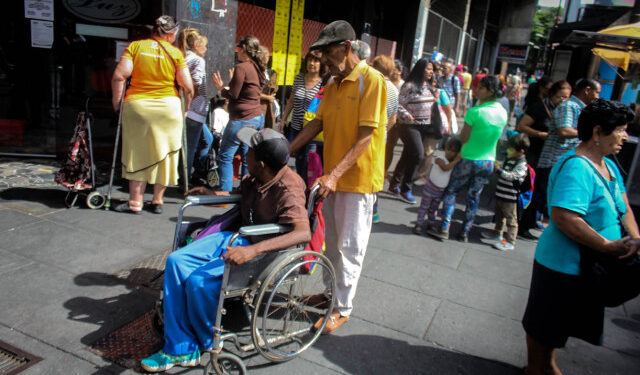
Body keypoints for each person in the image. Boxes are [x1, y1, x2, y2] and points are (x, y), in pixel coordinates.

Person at [140, 128, 310, 372]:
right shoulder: (258, 175)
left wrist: (252, 251)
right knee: (176, 261)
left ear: (261, 163)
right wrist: (212, 193)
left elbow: (303, 232)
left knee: (199, 282)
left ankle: (190, 345)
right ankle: (182, 341)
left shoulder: (288, 188)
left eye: (249, 150)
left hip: (262, 251)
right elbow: (238, 196)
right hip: (237, 236)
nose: (245, 153)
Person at [521, 99, 639, 375]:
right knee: (544, 332)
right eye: (620, 130)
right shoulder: (577, 167)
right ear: (597, 132)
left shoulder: (607, 164)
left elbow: (624, 208)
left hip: (587, 265)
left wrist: (635, 239)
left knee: (555, 332)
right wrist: (607, 245)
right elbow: (565, 217)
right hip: (562, 265)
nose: (625, 137)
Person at [289, 20, 387, 334]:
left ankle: (342, 307)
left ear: (346, 48)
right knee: (330, 244)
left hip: (357, 181)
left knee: (350, 247)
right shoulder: (332, 84)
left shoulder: (371, 81)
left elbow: (365, 138)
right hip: (332, 178)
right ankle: (331, 293)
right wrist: (284, 151)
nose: (325, 61)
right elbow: (316, 124)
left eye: (329, 53)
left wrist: (333, 175)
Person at [111, 15, 194, 214]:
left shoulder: (136, 47)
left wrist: (117, 104)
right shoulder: (176, 53)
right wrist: (185, 109)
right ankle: (157, 201)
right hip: (169, 108)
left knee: (136, 153)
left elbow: (119, 76)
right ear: (172, 33)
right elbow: (188, 87)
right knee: (166, 154)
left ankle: (135, 203)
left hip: (138, 106)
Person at [427, 76, 508, 242]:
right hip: (487, 161)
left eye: (481, 88)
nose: (477, 90)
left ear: (491, 91)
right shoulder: (502, 112)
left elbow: (464, 138)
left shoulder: (475, 112)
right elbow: (499, 138)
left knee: (451, 192)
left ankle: (444, 228)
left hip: (467, 159)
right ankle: (465, 232)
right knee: (474, 197)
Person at [520, 78, 601, 240]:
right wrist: (589, 133)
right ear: (587, 90)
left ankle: (532, 221)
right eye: (597, 91)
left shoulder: (578, 107)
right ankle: (524, 226)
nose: (598, 95)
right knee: (539, 194)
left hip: (562, 160)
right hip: (553, 159)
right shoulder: (569, 106)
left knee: (545, 195)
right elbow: (564, 131)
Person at [388, 59, 452, 204]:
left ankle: (394, 184)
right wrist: (406, 115)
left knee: (407, 155)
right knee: (418, 155)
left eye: (432, 70)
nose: (430, 72)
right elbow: (398, 104)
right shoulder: (409, 86)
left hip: (423, 127)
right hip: (409, 126)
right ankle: (406, 189)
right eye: (428, 69)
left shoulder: (429, 86)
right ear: (420, 69)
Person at [212, 35, 266, 192]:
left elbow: (233, 95)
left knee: (225, 155)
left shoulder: (242, 67)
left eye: (238, 49)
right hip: (256, 117)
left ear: (243, 49)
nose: (237, 52)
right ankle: (245, 191)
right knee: (246, 156)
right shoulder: (257, 67)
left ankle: (224, 191)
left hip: (241, 119)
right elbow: (246, 91)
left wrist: (221, 87)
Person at [278, 51, 324, 180]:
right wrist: (283, 120)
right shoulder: (299, 78)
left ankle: (307, 189)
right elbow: (291, 100)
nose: (311, 63)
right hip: (296, 126)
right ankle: (299, 185)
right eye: (309, 60)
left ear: (321, 64)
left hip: (312, 130)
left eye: (316, 61)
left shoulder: (323, 83)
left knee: (309, 162)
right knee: (298, 159)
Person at [481, 133, 530, 251]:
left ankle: (510, 241)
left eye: (512, 149)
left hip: (510, 198)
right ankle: (498, 232)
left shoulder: (522, 165)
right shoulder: (510, 159)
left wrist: (499, 170)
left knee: (511, 220)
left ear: (521, 151)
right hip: (501, 194)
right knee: (499, 216)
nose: (509, 150)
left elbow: (512, 176)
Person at [177, 28, 209, 186]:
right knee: (189, 147)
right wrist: (192, 102)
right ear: (196, 45)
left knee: (205, 140)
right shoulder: (198, 60)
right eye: (204, 46)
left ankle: (193, 174)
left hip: (183, 107)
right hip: (194, 110)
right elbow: (195, 83)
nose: (206, 49)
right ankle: (185, 180)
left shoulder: (181, 57)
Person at [370, 54, 399, 223]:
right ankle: (374, 211)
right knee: (377, 173)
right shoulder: (394, 89)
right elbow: (393, 119)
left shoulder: (374, 84)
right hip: (383, 138)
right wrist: (384, 132)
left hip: (368, 135)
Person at [413, 137, 462, 234]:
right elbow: (444, 168)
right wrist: (456, 161)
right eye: (448, 149)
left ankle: (431, 224)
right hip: (430, 187)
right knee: (424, 207)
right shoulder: (440, 158)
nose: (450, 152)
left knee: (433, 209)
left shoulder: (452, 163)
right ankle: (419, 224)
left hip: (440, 190)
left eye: (453, 151)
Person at [385, 59, 406, 172]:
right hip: (384, 118)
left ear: (400, 71)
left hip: (395, 122)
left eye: (394, 69)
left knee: (389, 147)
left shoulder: (403, 85)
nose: (392, 72)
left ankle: (384, 171)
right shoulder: (385, 82)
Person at [258, 45, 278, 129]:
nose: (266, 58)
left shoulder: (269, 72)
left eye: (266, 56)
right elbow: (250, 93)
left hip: (269, 109)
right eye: (263, 56)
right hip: (258, 109)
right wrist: (267, 97)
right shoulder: (254, 72)